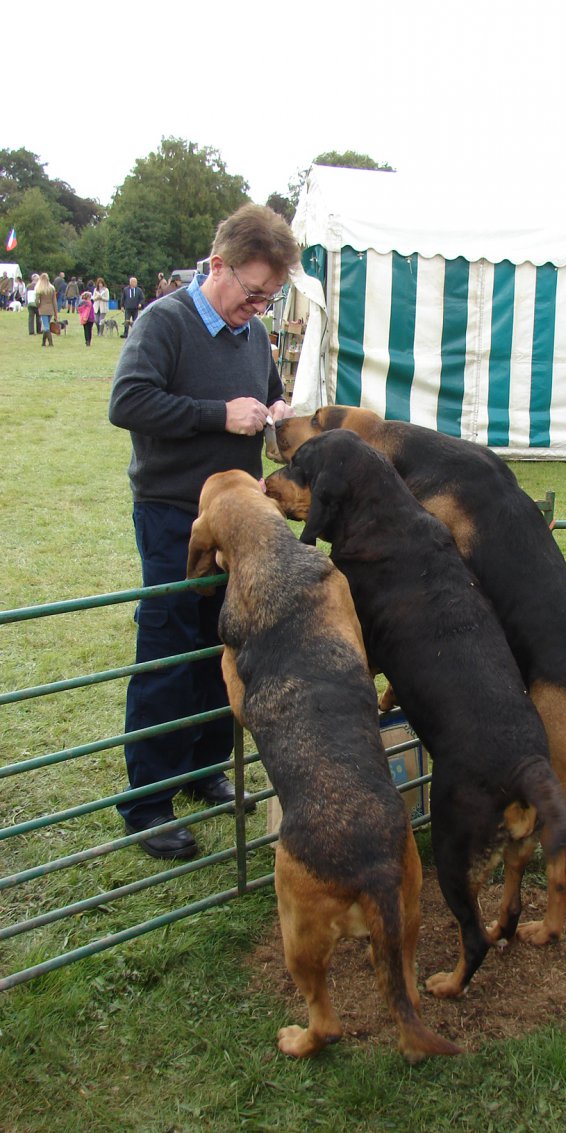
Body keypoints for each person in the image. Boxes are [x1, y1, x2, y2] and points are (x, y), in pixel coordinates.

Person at [108, 203, 300, 860]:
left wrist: (275, 410)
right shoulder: (164, 321)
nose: (258, 307)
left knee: (228, 637)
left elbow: (266, 391)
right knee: (170, 644)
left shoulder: (251, 334)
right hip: (175, 511)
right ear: (216, 265)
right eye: (251, 293)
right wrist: (218, 414)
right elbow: (127, 402)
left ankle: (202, 768)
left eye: (269, 298)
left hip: (239, 514)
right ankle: (148, 801)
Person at [35, 273, 58, 346]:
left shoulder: (39, 289)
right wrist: (55, 313)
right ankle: (43, 342)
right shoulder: (52, 288)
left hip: (43, 309)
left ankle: (50, 343)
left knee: (46, 326)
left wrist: (38, 306)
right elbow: (54, 302)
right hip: (50, 309)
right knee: (46, 325)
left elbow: (37, 301)